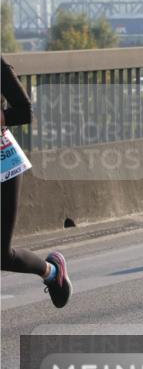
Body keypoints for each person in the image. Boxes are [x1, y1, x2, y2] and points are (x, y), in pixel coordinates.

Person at [1, 57, 72, 307]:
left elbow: (24, 111)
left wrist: (1, 116)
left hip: (4, 166)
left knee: (2, 255)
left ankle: (53, 273)